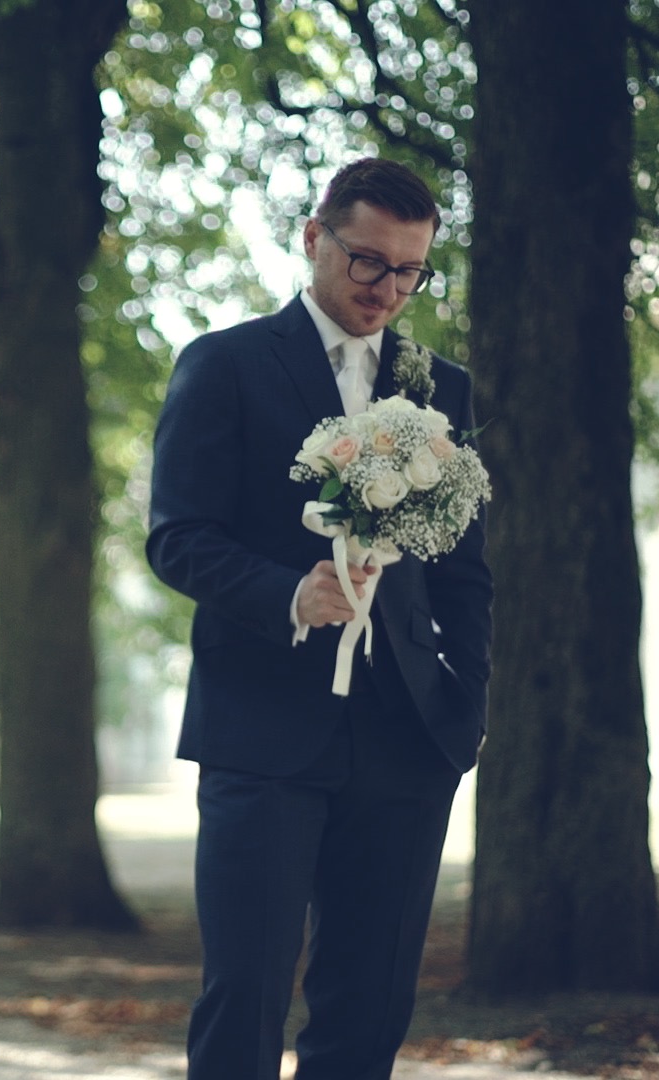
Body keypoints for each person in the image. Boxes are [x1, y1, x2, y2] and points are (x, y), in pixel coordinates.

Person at [146, 158, 494, 1078]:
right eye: (367, 262)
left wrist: (467, 709)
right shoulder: (222, 364)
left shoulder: (439, 388)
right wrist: (288, 594)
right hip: (260, 728)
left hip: (407, 738)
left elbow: (465, 572)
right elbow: (177, 538)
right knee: (245, 999)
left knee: (369, 1012)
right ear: (315, 238)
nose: (387, 289)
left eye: (410, 271)